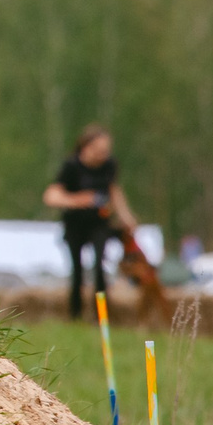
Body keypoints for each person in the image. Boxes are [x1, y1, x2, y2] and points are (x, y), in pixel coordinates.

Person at [43, 125, 141, 322]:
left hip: (100, 223)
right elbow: (51, 196)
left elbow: (114, 190)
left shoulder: (109, 165)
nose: (103, 155)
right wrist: (79, 200)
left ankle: (101, 316)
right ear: (86, 147)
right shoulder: (71, 166)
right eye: (99, 151)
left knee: (99, 268)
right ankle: (75, 315)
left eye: (106, 151)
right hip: (75, 224)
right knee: (77, 271)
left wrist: (126, 217)